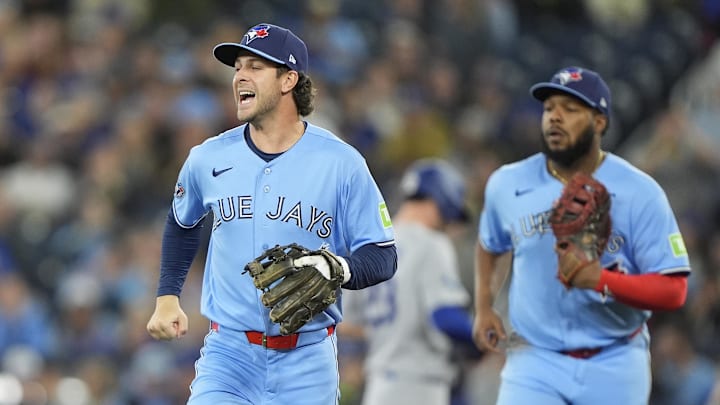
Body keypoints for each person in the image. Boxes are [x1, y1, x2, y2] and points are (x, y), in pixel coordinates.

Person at [145, 22, 397, 405]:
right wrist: (167, 296)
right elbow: (181, 224)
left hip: (307, 360)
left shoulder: (341, 163)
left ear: (288, 80)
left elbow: (383, 254)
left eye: (255, 66)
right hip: (228, 354)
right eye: (238, 67)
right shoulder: (208, 158)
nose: (240, 76)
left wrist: (337, 269)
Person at [472, 66, 691, 404]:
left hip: (614, 359)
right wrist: (484, 307)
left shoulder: (639, 192)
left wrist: (600, 279)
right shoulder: (508, 182)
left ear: (599, 122)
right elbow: (489, 245)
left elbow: (674, 291)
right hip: (535, 360)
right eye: (549, 108)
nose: (554, 118)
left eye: (570, 109)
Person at [341, 158, 479, 405]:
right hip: (418, 387)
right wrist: (485, 339)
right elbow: (445, 316)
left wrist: (390, 332)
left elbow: (346, 325)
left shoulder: (367, 246)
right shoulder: (431, 243)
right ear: (440, 201)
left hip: (378, 387)